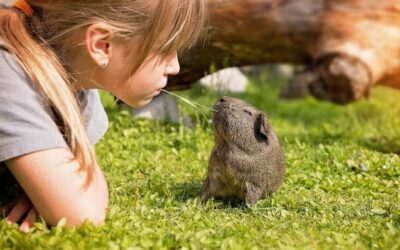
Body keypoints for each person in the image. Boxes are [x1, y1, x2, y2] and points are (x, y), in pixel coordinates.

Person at [0, 0, 206, 232]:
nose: (175, 66)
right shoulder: (8, 73)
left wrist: (44, 189)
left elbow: (78, 184)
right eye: (165, 49)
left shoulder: (77, 74)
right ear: (101, 45)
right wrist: (60, 192)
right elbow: (83, 215)